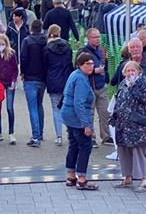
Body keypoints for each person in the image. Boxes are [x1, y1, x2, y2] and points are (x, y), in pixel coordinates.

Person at [111, 38, 146, 178]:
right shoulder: (124, 65)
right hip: (128, 110)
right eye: (132, 47)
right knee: (127, 138)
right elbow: (116, 84)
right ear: (128, 50)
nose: (135, 50)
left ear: (142, 48)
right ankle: (131, 171)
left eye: (137, 47)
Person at [111, 61, 146, 193]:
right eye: (127, 71)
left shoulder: (144, 83)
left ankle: (143, 181)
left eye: (132, 71)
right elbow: (119, 101)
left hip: (139, 126)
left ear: (138, 71)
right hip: (123, 126)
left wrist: (133, 87)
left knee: (139, 153)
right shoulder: (123, 84)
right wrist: (114, 117)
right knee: (124, 152)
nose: (130, 73)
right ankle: (127, 178)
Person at [60, 52, 98, 191]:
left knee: (73, 145)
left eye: (92, 63)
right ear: (80, 64)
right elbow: (79, 104)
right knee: (85, 146)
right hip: (76, 117)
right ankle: (81, 179)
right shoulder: (81, 79)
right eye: (87, 64)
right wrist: (86, 125)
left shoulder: (75, 74)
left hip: (67, 114)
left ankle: (71, 176)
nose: (91, 66)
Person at [76, 28, 112, 147]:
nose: (98, 39)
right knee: (89, 113)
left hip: (101, 85)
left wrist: (105, 76)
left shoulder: (102, 50)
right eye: (95, 37)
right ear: (89, 38)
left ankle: (106, 136)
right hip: (89, 86)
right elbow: (78, 69)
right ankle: (91, 137)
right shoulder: (83, 52)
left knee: (105, 112)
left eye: (98, 37)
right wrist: (93, 71)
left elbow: (105, 64)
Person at [42, 25, 74, 146]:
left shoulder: (47, 49)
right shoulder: (68, 46)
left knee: (56, 108)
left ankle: (58, 136)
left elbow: (45, 65)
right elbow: (71, 62)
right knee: (67, 107)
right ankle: (70, 132)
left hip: (53, 79)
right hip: (66, 79)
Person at [21, 20, 48, 147]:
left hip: (30, 77)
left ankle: (36, 136)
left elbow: (23, 58)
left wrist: (22, 72)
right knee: (39, 105)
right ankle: (40, 133)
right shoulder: (45, 41)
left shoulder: (27, 41)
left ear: (31, 28)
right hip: (42, 77)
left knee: (32, 107)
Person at [0, 34, 19, 144]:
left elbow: (15, 69)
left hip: (9, 82)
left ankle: (11, 133)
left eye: (3, 44)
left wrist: (13, 81)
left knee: (9, 108)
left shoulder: (11, 53)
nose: (1, 46)